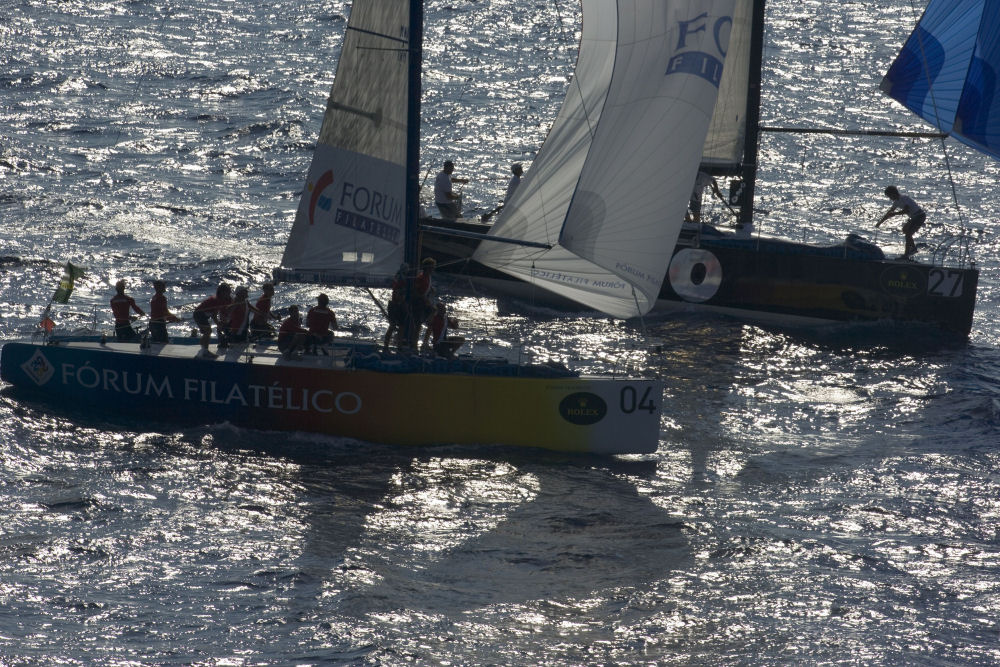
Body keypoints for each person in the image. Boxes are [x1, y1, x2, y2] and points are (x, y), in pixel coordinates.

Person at [876, 185, 926, 259]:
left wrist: (895, 213)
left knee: (908, 234)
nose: (890, 199)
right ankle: (913, 249)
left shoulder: (904, 198)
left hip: (920, 216)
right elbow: (889, 213)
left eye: (889, 196)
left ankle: (906, 255)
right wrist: (880, 222)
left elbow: (906, 210)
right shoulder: (896, 202)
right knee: (905, 230)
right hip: (914, 217)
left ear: (893, 194)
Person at [192, 283, 232, 358]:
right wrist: (218, 323)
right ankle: (205, 351)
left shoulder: (222, 300)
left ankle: (203, 348)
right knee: (208, 331)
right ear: (222, 292)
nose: (229, 293)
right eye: (228, 292)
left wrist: (218, 323)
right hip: (199, 314)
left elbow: (214, 314)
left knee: (207, 332)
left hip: (206, 315)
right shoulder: (216, 300)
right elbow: (214, 314)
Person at [383, 263, 409, 352]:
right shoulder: (400, 278)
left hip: (398, 304)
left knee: (400, 326)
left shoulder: (400, 276)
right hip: (396, 305)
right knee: (393, 325)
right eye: (407, 268)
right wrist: (401, 301)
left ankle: (398, 346)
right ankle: (387, 345)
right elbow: (397, 291)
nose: (408, 270)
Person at [148, 279, 181, 344]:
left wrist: (170, 318)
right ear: (159, 288)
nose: (165, 287)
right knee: (163, 343)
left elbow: (160, 311)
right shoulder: (162, 298)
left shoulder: (154, 297)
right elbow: (164, 311)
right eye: (163, 286)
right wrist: (175, 318)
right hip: (158, 324)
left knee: (156, 343)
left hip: (153, 323)